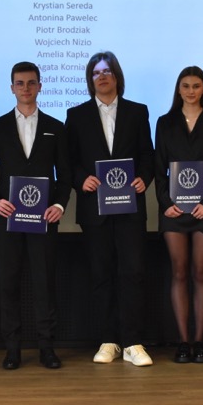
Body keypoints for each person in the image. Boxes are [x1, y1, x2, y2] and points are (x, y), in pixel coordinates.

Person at [0, 62, 72, 370]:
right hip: (8, 219)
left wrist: (59, 206)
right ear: (12, 88)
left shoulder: (56, 127)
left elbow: (65, 175)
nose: (26, 88)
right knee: (8, 283)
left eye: (31, 83)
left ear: (40, 86)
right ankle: (12, 349)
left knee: (44, 283)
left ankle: (47, 347)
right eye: (20, 83)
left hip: (44, 219)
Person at [66, 51, 156, 367]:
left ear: (116, 76)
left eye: (107, 71)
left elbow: (147, 154)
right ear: (90, 80)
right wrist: (81, 179)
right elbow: (69, 161)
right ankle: (108, 341)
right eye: (96, 73)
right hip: (95, 209)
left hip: (130, 208)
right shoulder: (76, 115)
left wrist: (144, 177)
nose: (101, 77)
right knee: (101, 275)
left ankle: (133, 342)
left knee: (133, 274)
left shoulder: (137, 112)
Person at [154, 66, 203, 364]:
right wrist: (165, 203)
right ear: (178, 89)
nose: (191, 91)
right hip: (173, 209)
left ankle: (200, 342)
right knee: (179, 272)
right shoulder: (165, 122)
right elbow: (158, 168)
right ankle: (183, 342)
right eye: (185, 86)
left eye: (196, 86)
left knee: (201, 272)